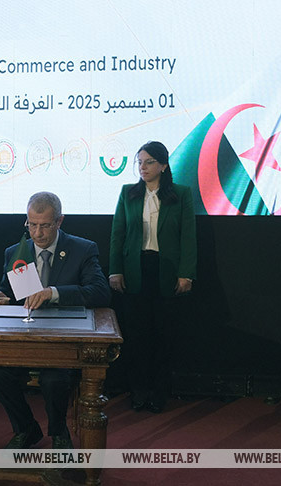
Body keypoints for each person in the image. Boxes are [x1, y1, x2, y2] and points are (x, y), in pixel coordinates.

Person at [0, 192, 110, 449]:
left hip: (62, 341)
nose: (37, 233)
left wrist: (53, 293)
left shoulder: (82, 249)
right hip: (24, 338)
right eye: (32, 225)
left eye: (44, 225)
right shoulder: (17, 252)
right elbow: (11, 293)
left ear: (59, 221)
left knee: (54, 379)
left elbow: (100, 292)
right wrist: (0, 295)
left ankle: (59, 433)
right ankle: (26, 429)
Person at [108, 140, 197, 413]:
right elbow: (118, 233)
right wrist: (115, 270)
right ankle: (138, 391)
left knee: (164, 335)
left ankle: (159, 393)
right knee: (137, 335)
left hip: (166, 270)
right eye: (140, 162)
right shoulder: (128, 193)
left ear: (163, 165)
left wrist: (186, 273)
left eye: (149, 162)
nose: (142, 167)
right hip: (136, 269)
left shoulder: (180, 194)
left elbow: (188, 236)